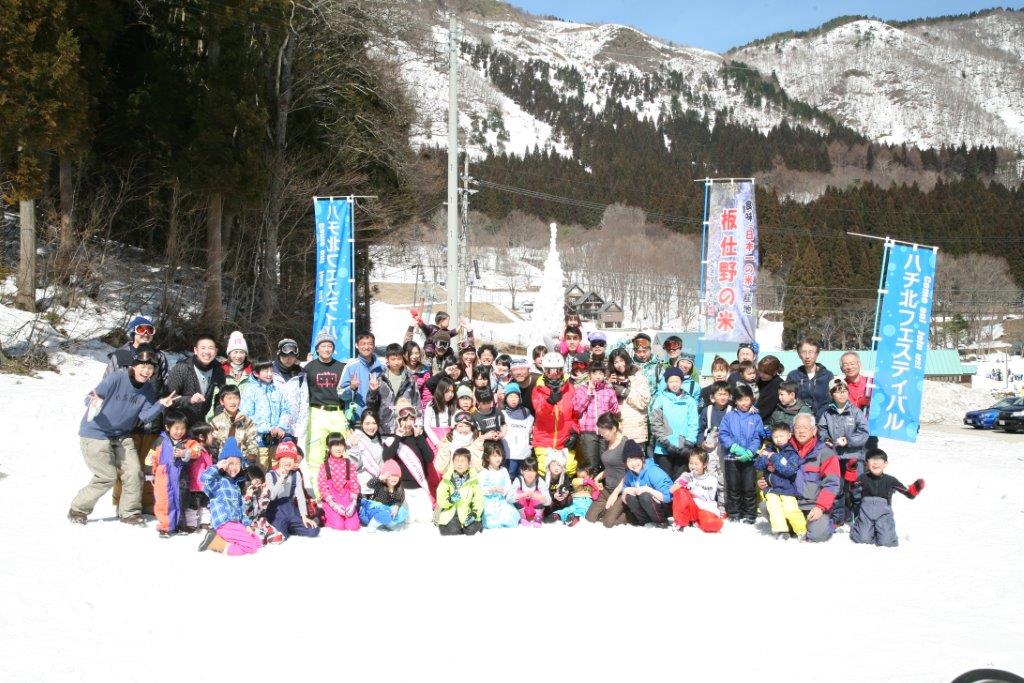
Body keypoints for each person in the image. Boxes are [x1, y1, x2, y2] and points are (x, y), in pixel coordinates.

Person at [68, 346, 177, 526]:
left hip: (121, 435)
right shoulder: (116, 378)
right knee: (107, 476)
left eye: (150, 368)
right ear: (133, 366)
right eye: (142, 366)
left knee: (134, 471)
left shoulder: (148, 389)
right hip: (96, 433)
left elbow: (145, 416)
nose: (146, 371)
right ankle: (78, 509)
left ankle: (129, 512)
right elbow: (90, 397)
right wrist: (93, 401)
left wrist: (161, 405)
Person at [104, 316, 170, 513]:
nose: (146, 334)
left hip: (151, 419)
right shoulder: (121, 355)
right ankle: (121, 501)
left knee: (149, 464)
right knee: (125, 464)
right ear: (132, 331)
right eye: (141, 329)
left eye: (150, 330)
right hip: (125, 419)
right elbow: (108, 385)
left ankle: (148, 502)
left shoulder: (160, 357)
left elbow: (164, 385)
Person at [759, 413, 840, 543]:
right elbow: (769, 467)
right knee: (765, 506)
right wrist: (765, 480)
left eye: (805, 427)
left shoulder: (825, 452)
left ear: (814, 430)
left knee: (817, 535)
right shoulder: (783, 448)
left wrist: (821, 507)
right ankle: (793, 526)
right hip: (789, 501)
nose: (801, 431)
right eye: (797, 427)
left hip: (812, 506)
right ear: (792, 430)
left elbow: (832, 484)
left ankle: (826, 523)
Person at [197, 437, 263, 554]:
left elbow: (241, 509)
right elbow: (204, 479)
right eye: (230, 463)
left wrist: (246, 525)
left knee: (258, 542)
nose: (234, 467)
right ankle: (216, 543)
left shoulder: (236, 486)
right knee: (251, 547)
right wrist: (217, 467)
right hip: (224, 523)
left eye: (237, 463)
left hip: (236, 523)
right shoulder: (218, 482)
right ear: (224, 464)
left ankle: (221, 538)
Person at [818, 378, 870, 527]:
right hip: (835, 457)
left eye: (844, 391)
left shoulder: (855, 412)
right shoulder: (827, 413)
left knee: (856, 487)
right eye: (837, 392)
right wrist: (826, 439)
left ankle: (858, 517)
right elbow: (821, 429)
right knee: (837, 487)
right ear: (831, 394)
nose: (841, 395)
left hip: (853, 457)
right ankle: (838, 517)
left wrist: (848, 440)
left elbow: (864, 432)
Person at [850, 449, 925, 547]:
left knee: (887, 542)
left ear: (885, 463)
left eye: (879, 459)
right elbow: (851, 488)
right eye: (872, 459)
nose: (875, 462)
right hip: (866, 513)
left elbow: (908, 493)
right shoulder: (863, 478)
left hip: (883, 514)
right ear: (866, 463)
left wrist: (915, 489)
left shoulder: (891, 480)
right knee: (862, 539)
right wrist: (851, 471)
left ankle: (882, 531)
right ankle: (861, 526)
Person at [148, 412, 202, 537]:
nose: (180, 432)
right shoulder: (160, 441)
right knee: (164, 501)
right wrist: (150, 473)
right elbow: (151, 457)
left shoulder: (188, 441)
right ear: (168, 427)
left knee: (181, 500)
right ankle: (165, 527)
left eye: (182, 428)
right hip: (163, 475)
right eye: (176, 428)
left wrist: (185, 453)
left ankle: (180, 525)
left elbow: (197, 450)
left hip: (181, 475)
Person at [304, 329, 348, 482]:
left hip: (337, 412)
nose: (327, 349)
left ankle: (340, 488)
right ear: (317, 349)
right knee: (315, 453)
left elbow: (348, 391)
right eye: (323, 346)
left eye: (329, 346)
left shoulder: (342, 367)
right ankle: (318, 495)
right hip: (317, 412)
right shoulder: (309, 368)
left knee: (341, 450)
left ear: (333, 348)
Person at [585, 412, 643, 528]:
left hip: (622, 490)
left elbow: (629, 472)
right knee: (590, 518)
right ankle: (611, 511)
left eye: (604, 432)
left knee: (608, 522)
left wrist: (616, 493)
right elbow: (610, 467)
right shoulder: (607, 443)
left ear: (614, 429)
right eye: (600, 432)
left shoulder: (626, 444)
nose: (601, 435)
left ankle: (635, 515)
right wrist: (598, 477)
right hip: (607, 489)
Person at [719, 385, 767, 524]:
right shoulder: (729, 417)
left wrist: (750, 452)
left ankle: (750, 514)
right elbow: (723, 434)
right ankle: (734, 513)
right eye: (741, 400)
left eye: (747, 399)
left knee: (749, 487)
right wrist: (734, 448)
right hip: (731, 458)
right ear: (735, 401)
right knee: (733, 487)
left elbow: (758, 437)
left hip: (749, 459)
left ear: (751, 399)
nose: (744, 403)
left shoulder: (756, 417)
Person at [381, 405, 436, 522]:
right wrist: (398, 437)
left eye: (411, 419)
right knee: (407, 520)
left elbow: (429, 458)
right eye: (405, 420)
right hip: (402, 490)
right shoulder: (392, 440)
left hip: (419, 487)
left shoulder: (419, 438)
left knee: (426, 519)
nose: (408, 423)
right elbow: (387, 459)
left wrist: (420, 437)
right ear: (399, 421)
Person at [754, 422, 807, 541]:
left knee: (790, 509)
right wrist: (765, 459)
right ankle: (781, 531)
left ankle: (802, 531)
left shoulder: (791, 453)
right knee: (773, 508)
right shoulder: (769, 449)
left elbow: (788, 470)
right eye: (775, 436)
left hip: (787, 488)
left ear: (789, 436)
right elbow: (758, 466)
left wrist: (773, 457)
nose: (778, 439)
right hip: (771, 489)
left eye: (781, 436)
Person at [531, 351, 580, 476]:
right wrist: (549, 402)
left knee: (569, 469)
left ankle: (565, 492)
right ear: (544, 370)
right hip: (544, 439)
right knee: (545, 469)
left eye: (557, 370)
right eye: (549, 370)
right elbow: (539, 411)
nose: (553, 374)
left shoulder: (571, 389)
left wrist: (575, 432)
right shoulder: (538, 389)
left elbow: (576, 415)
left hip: (564, 439)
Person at [163, 333, 225, 426]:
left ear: (216, 351)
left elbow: (220, 399)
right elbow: (169, 399)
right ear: (195, 350)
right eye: (203, 348)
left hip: (202, 424)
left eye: (211, 348)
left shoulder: (219, 370)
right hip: (180, 424)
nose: (207, 352)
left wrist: (216, 418)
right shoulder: (181, 368)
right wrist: (189, 400)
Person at [241, 359, 292, 471]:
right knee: (261, 469)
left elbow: (285, 410)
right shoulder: (250, 390)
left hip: (276, 439)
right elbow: (246, 416)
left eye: (271, 370)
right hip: (258, 439)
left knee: (276, 469)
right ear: (256, 373)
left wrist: (281, 426)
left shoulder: (276, 389)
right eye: (265, 371)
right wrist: (268, 428)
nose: (269, 374)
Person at [650, 367, 699, 480]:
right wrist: (665, 443)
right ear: (666, 382)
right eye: (671, 381)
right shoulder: (660, 399)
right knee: (665, 479)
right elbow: (655, 423)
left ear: (681, 382)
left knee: (680, 480)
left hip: (683, 448)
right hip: (664, 448)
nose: (674, 384)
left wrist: (689, 443)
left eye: (677, 381)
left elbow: (693, 423)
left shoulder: (689, 400)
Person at [265, 442, 320, 539]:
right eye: (285, 457)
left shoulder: (296, 474)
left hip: (291, 510)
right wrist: (281, 479)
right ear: (279, 459)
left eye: (291, 458)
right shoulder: (270, 475)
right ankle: (286, 528)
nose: (288, 461)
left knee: (313, 531)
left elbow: (300, 496)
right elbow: (272, 496)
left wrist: (304, 516)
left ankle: (292, 526)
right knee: (280, 535)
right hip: (276, 511)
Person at [572, 359, 619, 471]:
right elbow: (577, 409)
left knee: (606, 462)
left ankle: (606, 486)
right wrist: (589, 394)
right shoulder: (581, 389)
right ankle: (591, 486)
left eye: (601, 373)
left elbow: (615, 410)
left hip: (605, 432)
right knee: (591, 464)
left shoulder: (608, 390)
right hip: (588, 432)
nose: (598, 376)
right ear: (589, 374)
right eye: (595, 373)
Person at [367, 342, 420, 434]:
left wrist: (418, 425)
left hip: (406, 428)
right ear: (387, 359)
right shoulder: (380, 380)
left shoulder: (410, 379)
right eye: (393, 359)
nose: (396, 362)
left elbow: (417, 403)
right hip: (385, 428)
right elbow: (371, 405)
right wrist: (373, 391)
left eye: (399, 358)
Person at [614, 447, 673, 527]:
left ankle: (661, 523)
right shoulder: (629, 475)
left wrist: (649, 490)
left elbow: (668, 497)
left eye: (635, 458)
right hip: (648, 509)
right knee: (630, 497)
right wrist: (626, 491)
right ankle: (645, 523)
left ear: (642, 458)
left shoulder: (653, 471)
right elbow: (625, 497)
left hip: (666, 508)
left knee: (644, 495)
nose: (633, 463)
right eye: (629, 460)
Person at [606, 348, 651, 450]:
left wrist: (624, 392)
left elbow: (644, 402)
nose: (619, 364)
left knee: (635, 463)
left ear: (627, 360)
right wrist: (608, 386)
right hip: (617, 431)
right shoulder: (611, 379)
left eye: (622, 360)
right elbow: (605, 404)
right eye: (616, 362)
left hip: (635, 430)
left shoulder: (638, 378)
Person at [697, 380, 731, 514]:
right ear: (712, 397)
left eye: (725, 394)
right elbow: (700, 429)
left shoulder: (731, 410)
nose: (722, 397)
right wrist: (702, 443)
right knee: (709, 477)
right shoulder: (707, 410)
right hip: (709, 448)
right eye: (719, 394)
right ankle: (709, 505)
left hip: (726, 448)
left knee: (723, 476)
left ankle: (723, 506)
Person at [670, 450, 723, 533]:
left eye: (696, 464)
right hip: (690, 508)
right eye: (691, 463)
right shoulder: (685, 475)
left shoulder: (712, 479)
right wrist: (683, 481)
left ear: (704, 465)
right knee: (680, 490)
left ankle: (697, 521)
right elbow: (672, 490)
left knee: (714, 525)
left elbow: (709, 499)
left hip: (704, 508)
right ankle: (680, 523)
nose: (693, 467)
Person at [434, 448, 484, 536]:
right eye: (456, 460)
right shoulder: (446, 480)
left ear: (469, 464)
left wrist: (474, 513)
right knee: (452, 531)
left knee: (472, 530)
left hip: (466, 513)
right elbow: (441, 499)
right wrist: (450, 500)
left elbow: (478, 499)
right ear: (453, 462)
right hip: (451, 513)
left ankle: (467, 526)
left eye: (463, 461)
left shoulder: (473, 480)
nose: (459, 464)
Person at [317, 433, 361, 532]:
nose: (339, 448)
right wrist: (334, 505)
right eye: (335, 445)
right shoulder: (325, 466)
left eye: (341, 445)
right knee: (338, 526)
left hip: (347, 501)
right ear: (328, 447)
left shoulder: (349, 464)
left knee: (353, 526)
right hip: (331, 502)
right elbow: (322, 487)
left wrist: (353, 503)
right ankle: (324, 516)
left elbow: (354, 485)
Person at [271, 338, 309, 450]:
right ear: (279, 354)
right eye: (285, 356)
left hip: (291, 428)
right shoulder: (269, 371)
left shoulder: (301, 374)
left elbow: (304, 402)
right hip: (271, 426)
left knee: (287, 462)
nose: (288, 359)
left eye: (292, 356)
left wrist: (299, 429)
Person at [209, 385, 260, 463]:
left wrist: (249, 459)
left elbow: (252, 443)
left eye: (236, 398)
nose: (233, 402)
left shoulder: (247, 421)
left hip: (242, 462)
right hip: (222, 463)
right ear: (222, 401)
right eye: (229, 398)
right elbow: (212, 445)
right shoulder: (216, 422)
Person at [785, 337, 834, 418]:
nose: (807, 356)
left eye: (811, 352)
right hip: (799, 421)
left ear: (817, 354)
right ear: (799, 354)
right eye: (804, 352)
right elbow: (788, 400)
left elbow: (829, 401)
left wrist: (818, 418)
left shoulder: (828, 375)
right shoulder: (793, 376)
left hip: (822, 420)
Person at [477, 441, 521, 529]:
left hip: (501, 500)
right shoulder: (484, 472)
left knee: (510, 513)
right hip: (488, 501)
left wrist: (504, 490)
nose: (498, 459)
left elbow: (508, 485)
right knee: (490, 515)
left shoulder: (504, 470)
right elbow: (479, 488)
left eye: (499, 456)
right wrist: (490, 490)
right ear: (488, 457)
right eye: (494, 456)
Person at [340, 332, 384, 418]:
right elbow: (341, 395)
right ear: (357, 345)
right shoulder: (350, 367)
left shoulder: (383, 367)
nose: (366, 347)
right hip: (357, 418)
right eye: (363, 344)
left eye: (370, 344)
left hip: (378, 419)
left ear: (374, 346)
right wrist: (351, 388)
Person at [358, 459, 409, 531]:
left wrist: (396, 506)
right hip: (377, 508)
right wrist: (379, 478)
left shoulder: (399, 487)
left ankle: (387, 523)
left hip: (389, 509)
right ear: (385, 477)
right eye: (391, 475)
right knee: (384, 512)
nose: (394, 478)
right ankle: (374, 523)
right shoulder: (380, 484)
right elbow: (369, 484)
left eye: (396, 476)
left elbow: (400, 499)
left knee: (402, 512)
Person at [241, 464, 285, 545]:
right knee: (258, 539)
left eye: (260, 482)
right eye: (256, 483)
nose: (258, 486)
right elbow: (244, 512)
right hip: (248, 522)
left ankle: (266, 532)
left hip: (261, 520)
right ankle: (256, 536)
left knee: (277, 537)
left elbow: (263, 509)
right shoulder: (242, 495)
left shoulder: (259, 492)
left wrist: (264, 495)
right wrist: (248, 498)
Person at [183, 422, 215, 532]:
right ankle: (190, 524)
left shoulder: (207, 451)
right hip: (196, 485)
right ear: (202, 437)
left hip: (205, 485)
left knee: (205, 505)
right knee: (193, 506)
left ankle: (204, 523)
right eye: (210, 434)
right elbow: (195, 469)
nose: (212, 436)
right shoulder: (197, 451)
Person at [501, 382, 534, 480]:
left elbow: (530, 430)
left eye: (516, 396)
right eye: (510, 396)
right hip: (509, 453)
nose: (513, 399)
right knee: (510, 475)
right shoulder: (502, 413)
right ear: (506, 399)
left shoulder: (526, 413)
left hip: (524, 452)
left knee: (522, 476)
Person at [347, 410, 385, 488]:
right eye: (367, 423)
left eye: (374, 423)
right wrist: (354, 447)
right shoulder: (354, 438)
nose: (371, 427)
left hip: (380, 486)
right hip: (362, 487)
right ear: (361, 424)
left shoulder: (382, 439)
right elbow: (353, 467)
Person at [510, 455, 550, 527]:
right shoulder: (518, 480)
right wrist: (522, 495)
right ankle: (522, 518)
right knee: (518, 492)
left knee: (538, 493)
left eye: (533, 471)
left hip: (535, 511)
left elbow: (548, 501)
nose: (530, 474)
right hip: (522, 511)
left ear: (536, 472)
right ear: (522, 471)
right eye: (527, 471)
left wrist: (539, 497)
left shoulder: (539, 481)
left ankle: (538, 519)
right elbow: (509, 498)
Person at [422, 377, 457, 454]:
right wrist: (437, 443)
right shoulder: (431, 405)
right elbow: (427, 426)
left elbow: (453, 423)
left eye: (452, 391)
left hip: (449, 437)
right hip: (434, 438)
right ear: (441, 390)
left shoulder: (452, 405)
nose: (450, 394)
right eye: (447, 391)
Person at [220, 330, 254, 401]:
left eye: (241, 352)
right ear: (229, 354)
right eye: (235, 352)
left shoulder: (252, 370)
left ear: (246, 354)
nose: (238, 356)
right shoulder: (221, 369)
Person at [544, 450, 573, 520]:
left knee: (570, 499)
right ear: (549, 466)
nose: (556, 468)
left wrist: (566, 493)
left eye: (559, 465)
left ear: (563, 467)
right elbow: (543, 492)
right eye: (553, 465)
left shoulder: (565, 476)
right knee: (546, 501)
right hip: (551, 500)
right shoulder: (545, 478)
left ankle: (563, 514)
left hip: (560, 500)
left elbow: (568, 487)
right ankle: (550, 515)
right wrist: (553, 496)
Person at [754, 355, 784, 422]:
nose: (761, 374)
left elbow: (766, 409)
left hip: (766, 422)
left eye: (765, 373)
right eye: (760, 371)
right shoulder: (759, 379)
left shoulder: (778, 385)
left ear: (774, 372)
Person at [403, 340, 432, 409]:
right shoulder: (400, 369)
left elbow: (427, 393)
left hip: (417, 408)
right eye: (411, 353)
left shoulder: (424, 371)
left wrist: (424, 409)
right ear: (404, 355)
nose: (414, 356)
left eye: (416, 353)